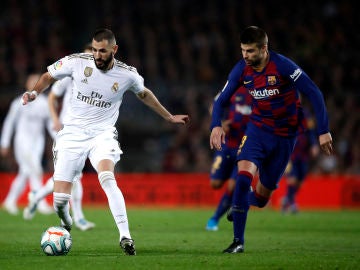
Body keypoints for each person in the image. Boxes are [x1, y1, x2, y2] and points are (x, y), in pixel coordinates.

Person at [21, 28, 189, 256]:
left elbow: (144, 94)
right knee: (60, 200)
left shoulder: (127, 74)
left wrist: (168, 116)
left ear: (114, 49)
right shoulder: (76, 62)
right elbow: (48, 77)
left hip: (102, 133)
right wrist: (33, 93)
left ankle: (126, 236)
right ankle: (67, 223)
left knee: (107, 178)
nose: (98, 55)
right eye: (96, 50)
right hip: (72, 133)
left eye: (103, 51)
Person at [209, 26, 333, 254]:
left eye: (250, 51)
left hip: (285, 137)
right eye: (243, 51)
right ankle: (238, 242)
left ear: (264, 48)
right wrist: (216, 125)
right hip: (256, 131)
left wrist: (323, 130)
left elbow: (314, 92)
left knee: (262, 197)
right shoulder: (241, 70)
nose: (245, 56)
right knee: (243, 177)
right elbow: (220, 101)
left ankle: (240, 205)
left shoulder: (283, 66)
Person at [23, 44, 96, 231]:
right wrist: (55, 119)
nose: (90, 61)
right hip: (65, 129)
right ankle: (78, 218)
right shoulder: (70, 76)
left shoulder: (97, 80)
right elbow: (51, 97)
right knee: (73, 175)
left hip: (83, 131)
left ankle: (37, 195)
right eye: (87, 56)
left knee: (69, 175)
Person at [1, 74, 54, 215]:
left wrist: (58, 138)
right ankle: (40, 203)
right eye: (31, 82)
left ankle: (9, 201)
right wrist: (4, 143)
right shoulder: (19, 102)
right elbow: (9, 123)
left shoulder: (44, 103)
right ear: (26, 84)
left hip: (38, 143)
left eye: (37, 82)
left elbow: (50, 124)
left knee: (25, 172)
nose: (34, 84)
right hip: (22, 141)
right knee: (35, 169)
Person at [206, 86, 252, 231]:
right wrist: (219, 123)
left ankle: (214, 219)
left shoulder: (260, 92)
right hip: (227, 145)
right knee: (215, 183)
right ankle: (244, 195)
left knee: (232, 186)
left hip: (244, 147)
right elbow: (213, 106)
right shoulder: (233, 89)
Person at [281, 107, 320, 214]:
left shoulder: (306, 114)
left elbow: (311, 131)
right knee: (292, 178)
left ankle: (287, 199)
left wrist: (314, 145)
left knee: (300, 181)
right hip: (290, 153)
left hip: (303, 154)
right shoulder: (283, 113)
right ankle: (292, 203)